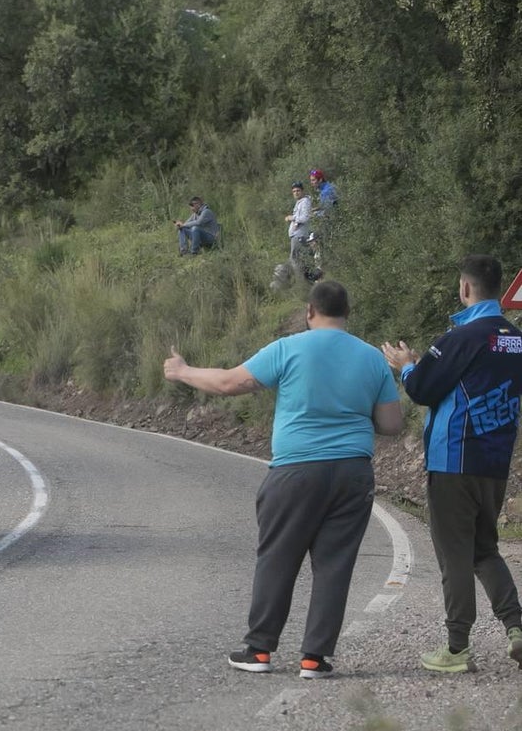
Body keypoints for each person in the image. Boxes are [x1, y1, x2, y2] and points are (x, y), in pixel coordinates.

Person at [164, 280, 403, 679]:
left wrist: (183, 371)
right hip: (352, 472)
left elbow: (228, 383)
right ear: (347, 314)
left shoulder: (287, 348)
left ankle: (259, 650)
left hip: (296, 469)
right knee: (335, 565)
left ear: (310, 311)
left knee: (278, 557)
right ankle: (314, 658)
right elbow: (392, 424)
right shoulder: (370, 358)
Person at [381, 254, 522, 673]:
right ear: (500, 289)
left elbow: (424, 388)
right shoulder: (514, 338)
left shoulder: (460, 337)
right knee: (484, 549)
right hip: (496, 462)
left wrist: (406, 366)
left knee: (454, 554)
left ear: (465, 288)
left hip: (454, 459)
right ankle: (516, 627)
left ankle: (457, 648)